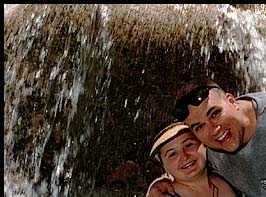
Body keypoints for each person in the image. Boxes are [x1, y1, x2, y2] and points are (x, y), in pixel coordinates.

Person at [147, 79, 266, 197]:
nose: (214, 130)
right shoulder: (210, 146)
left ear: (232, 101)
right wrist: (159, 183)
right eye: (200, 127)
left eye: (215, 114)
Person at [148, 121, 246, 197]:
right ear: (163, 165)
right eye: (172, 154)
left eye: (189, 145)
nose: (184, 156)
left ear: (203, 144)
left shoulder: (229, 177)